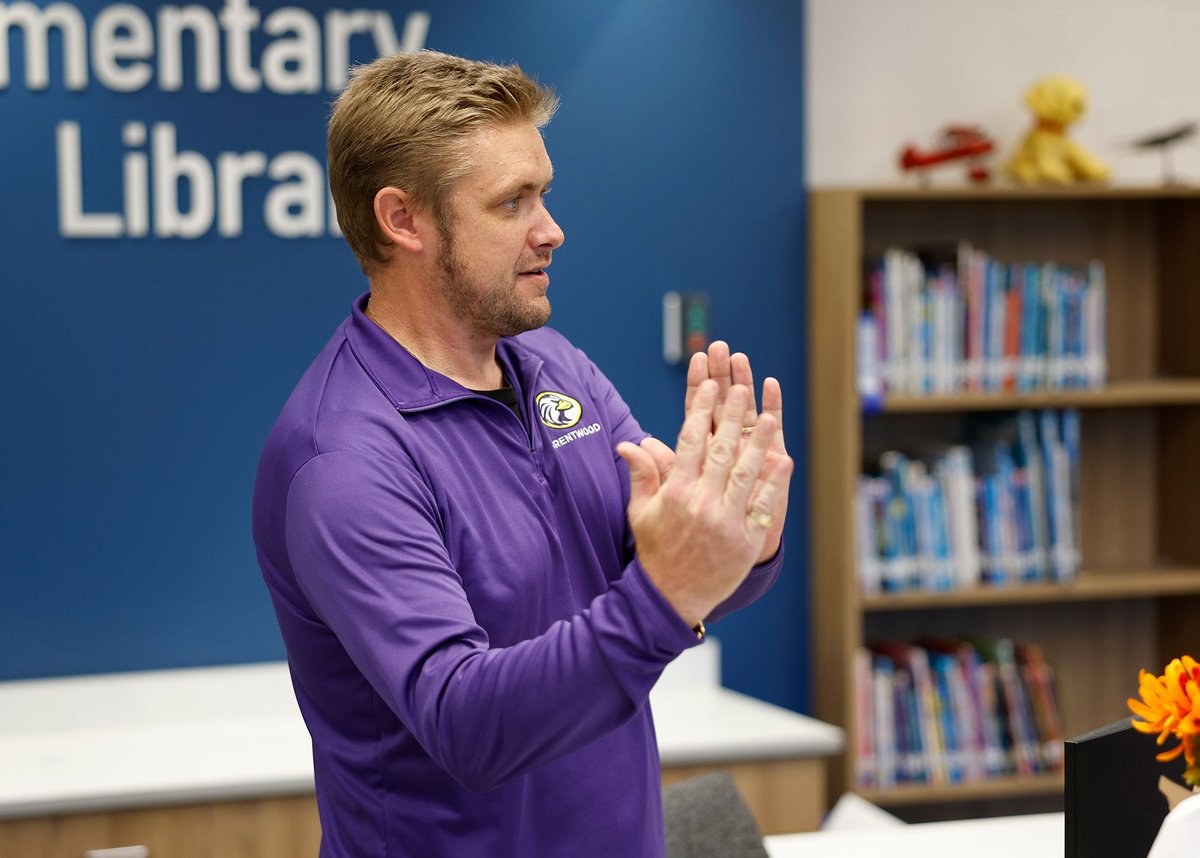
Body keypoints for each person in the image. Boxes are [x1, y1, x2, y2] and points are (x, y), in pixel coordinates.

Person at [252, 49, 792, 858]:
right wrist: (668, 589)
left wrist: (742, 537)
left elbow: (669, 567)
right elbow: (468, 725)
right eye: (513, 203)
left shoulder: (554, 366)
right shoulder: (343, 460)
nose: (552, 229)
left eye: (544, 193)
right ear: (404, 220)